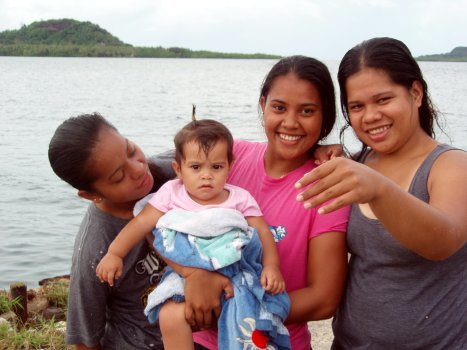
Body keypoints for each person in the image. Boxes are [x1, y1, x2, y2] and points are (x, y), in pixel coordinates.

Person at [295, 37, 467, 349]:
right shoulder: (358, 163)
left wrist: (377, 189)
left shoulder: (451, 165)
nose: (370, 116)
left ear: (415, 93)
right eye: (357, 106)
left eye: (383, 100)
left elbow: (444, 239)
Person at [189, 55, 350, 349]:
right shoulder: (229, 158)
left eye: (307, 111)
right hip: (203, 341)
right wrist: (193, 274)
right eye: (279, 107)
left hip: (274, 341)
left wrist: (234, 311)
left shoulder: (327, 186)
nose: (290, 122)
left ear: (325, 117)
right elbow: (170, 209)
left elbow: (324, 299)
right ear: (263, 105)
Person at [96, 118, 291, 350]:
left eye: (216, 167)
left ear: (230, 165)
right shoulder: (171, 193)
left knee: (244, 316)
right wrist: (114, 253)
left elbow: (262, 232)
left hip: (235, 272)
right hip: (185, 273)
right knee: (170, 315)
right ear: (178, 169)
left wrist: (271, 266)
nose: (206, 176)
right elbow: (141, 223)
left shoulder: (239, 198)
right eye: (196, 167)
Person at [48, 113, 172, 349]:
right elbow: (86, 339)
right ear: (91, 194)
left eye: (130, 149)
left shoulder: (173, 172)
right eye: (118, 176)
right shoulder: (96, 249)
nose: (137, 169)